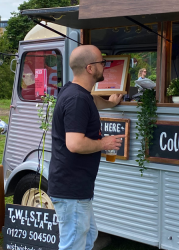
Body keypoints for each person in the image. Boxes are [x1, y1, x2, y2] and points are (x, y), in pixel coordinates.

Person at [48, 45, 125, 250]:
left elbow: (91, 101)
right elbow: (74, 143)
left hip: (76, 188)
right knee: (73, 245)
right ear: (90, 68)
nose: (105, 66)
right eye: (102, 62)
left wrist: (110, 103)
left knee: (89, 237)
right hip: (71, 189)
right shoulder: (76, 99)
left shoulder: (74, 92)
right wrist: (104, 143)